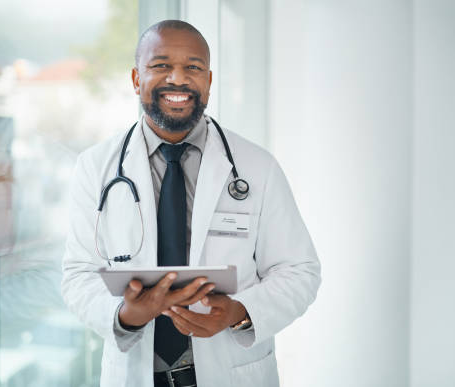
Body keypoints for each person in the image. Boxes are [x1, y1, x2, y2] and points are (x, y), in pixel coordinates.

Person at [61, 20, 321, 387]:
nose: (178, 79)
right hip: (135, 373)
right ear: (137, 78)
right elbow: (78, 275)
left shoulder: (257, 167)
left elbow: (299, 270)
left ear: (209, 82)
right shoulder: (94, 167)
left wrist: (240, 312)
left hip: (232, 370)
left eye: (193, 67)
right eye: (161, 65)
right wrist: (124, 315)